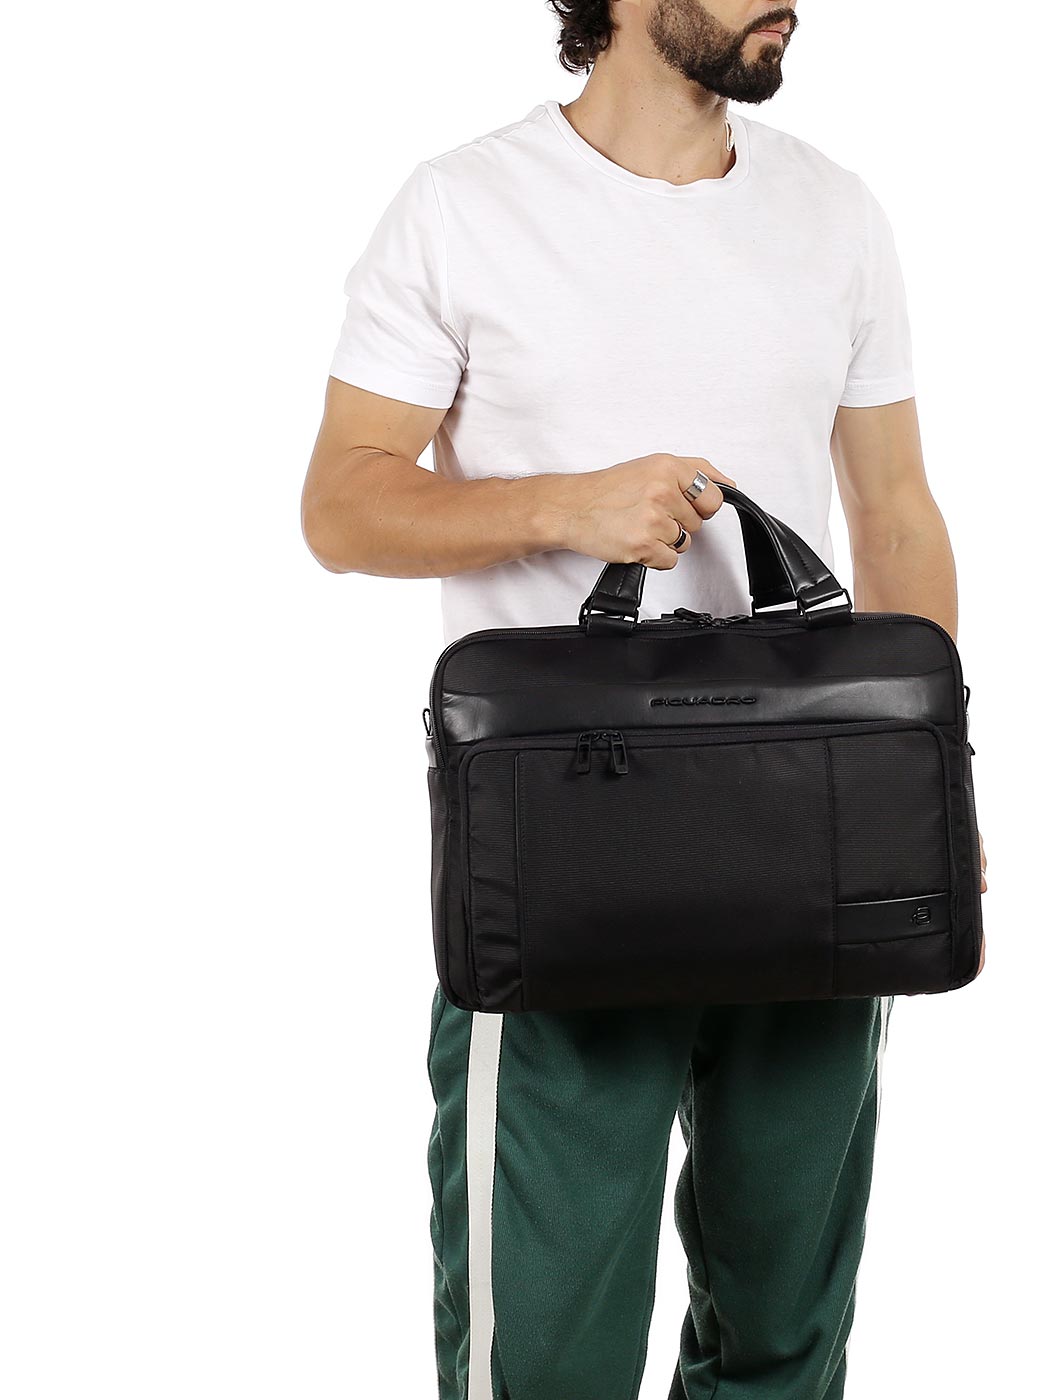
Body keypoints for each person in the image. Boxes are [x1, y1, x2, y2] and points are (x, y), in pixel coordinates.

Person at [301, 3, 986, 1396]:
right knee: (546, 1358)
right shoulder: (464, 208)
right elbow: (342, 505)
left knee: (785, 1339)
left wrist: (935, 788)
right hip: (562, 850)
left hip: (813, 830)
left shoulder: (836, 213)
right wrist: (565, 506)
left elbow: (896, 512)